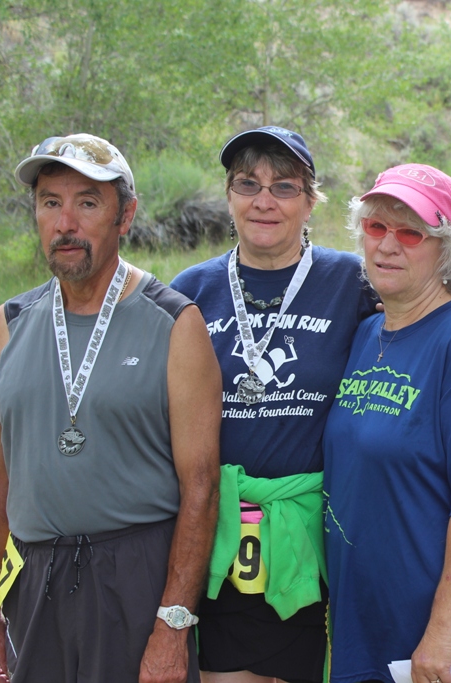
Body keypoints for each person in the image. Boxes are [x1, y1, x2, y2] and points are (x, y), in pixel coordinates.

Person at [0, 133, 222, 683]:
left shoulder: (175, 325)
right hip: (33, 579)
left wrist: (173, 627)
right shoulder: (6, 326)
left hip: (135, 577)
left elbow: (201, 486)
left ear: (124, 215)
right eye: (49, 202)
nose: (66, 223)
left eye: (87, 202)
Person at [170, 126, 378, 683]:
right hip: (220, 527)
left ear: (311, 201)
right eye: (248, 184)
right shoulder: (191, 289)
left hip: (318, 530)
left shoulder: (353, 283)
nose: (264, 200)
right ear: (229, 195)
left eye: (284, 187)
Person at [322, 164, 451, 683]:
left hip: (438, 636)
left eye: (411, 232)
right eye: (376, 227)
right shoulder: (367, 333)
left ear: (446, 251)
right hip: (364, 614)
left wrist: (441, 632)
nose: (388, 245)